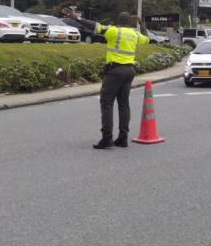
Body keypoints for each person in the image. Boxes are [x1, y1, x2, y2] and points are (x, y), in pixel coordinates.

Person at [64, 9, 149, 149]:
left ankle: (107, 139)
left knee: (107, 103)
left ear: (118, 21)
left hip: (115, 71)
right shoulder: (135, 34)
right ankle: (123, 138)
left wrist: (77, 18)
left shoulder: (114, 31)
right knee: (124, 105)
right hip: (129, 71)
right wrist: (141, 23)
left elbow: (94, 26)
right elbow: (147, 39)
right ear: (129, 22)